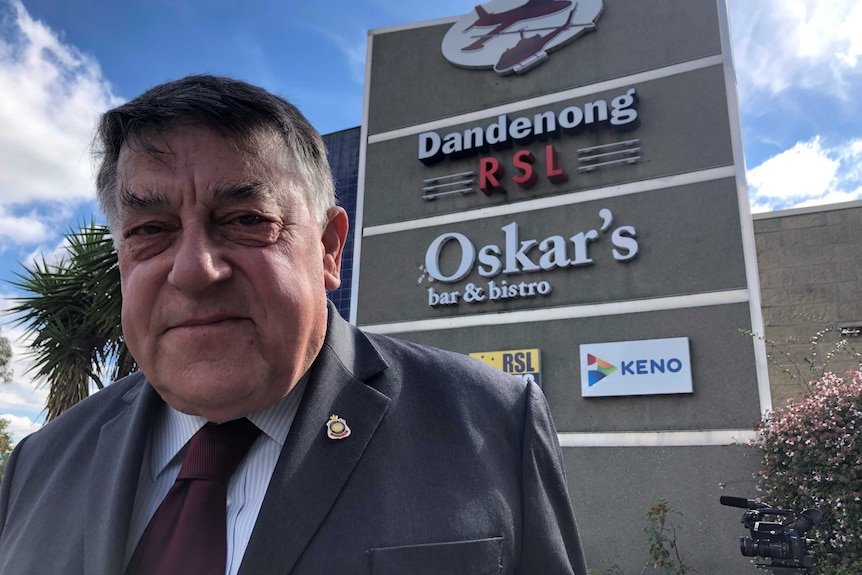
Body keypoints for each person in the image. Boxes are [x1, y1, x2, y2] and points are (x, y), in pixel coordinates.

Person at [0, 75, 587, 575]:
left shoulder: (491, 424)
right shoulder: (37, 465)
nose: (194, 269)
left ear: (330, 249)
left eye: (245, 219)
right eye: (150, 230)